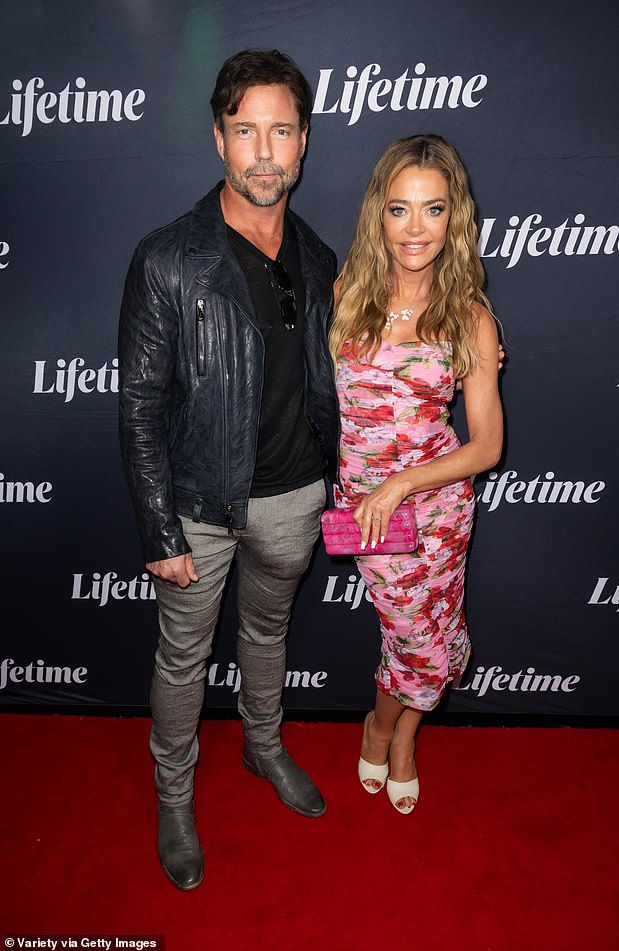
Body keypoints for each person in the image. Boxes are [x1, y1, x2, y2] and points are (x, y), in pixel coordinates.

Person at [118, 49, 339, 890]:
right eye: (245, 130)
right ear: (218, 140)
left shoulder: (320, 260)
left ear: (304, 141)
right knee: (182, 658)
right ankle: (174, 796)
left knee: (268, 634)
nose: (264, 150)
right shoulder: (168, 257)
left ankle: (263, 746)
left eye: (280, 130)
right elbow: (139, 404)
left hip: (294, 499)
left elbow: (371, 353)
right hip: (199, 506)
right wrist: (159, 526)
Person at [328, 134, 503, 815]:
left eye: (433, 210)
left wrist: (403, 481)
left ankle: (395, 732)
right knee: (416, 638)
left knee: (423, 632)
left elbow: (487, 444)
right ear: (379, 213)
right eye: (401, 209)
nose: (416, 229)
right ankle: (386, 726)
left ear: (454, 216)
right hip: (367, 512)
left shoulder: (470, 319)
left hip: (438, 509)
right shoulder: (344, 295)